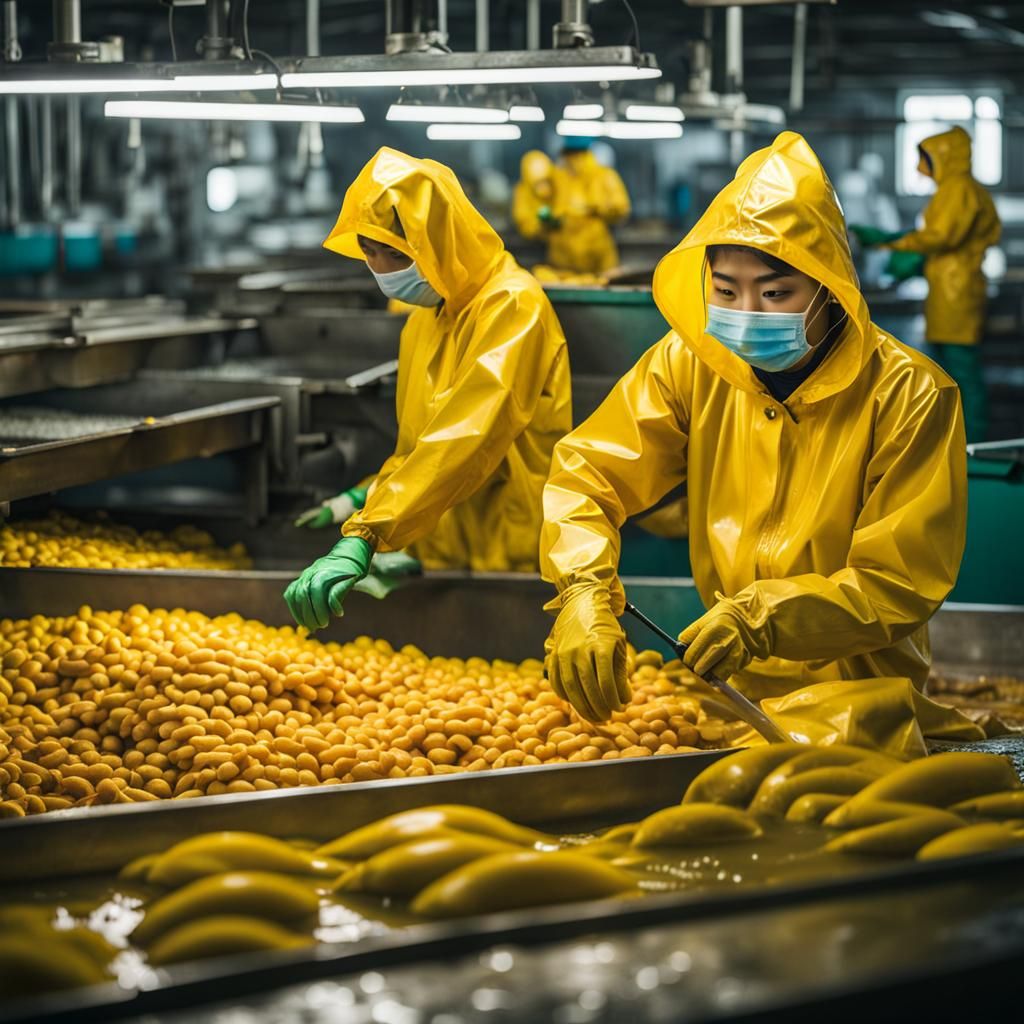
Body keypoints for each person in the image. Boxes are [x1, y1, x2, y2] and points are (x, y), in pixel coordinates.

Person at [540, 131, 982, 756]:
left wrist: (764, 617)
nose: (747, 312)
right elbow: (589, 474)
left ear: (829, 286)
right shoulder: (689, 362)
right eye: (725, 291)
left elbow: (898, 582)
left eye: (776, 293)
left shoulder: (910, 395)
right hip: (722, 698)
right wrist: (582, 590)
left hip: (856, 709)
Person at [285, 147, 572, 632]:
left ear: (441, 241)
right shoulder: (425, 319)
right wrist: (359, 499)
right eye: (369, 253)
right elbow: (421, 446)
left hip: (511, 553)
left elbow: (467, 437)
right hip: (446, 549)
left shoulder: (513, 307)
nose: (381, 270)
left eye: (395, 254)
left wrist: (370, 532)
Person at [853, 127, 1001, 442]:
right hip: (951, 289)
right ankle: (959, 434)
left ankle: (972, 442)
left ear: (943, 156)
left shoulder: (958, 189)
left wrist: (889, 242)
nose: (923, 166)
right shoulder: (958, 189)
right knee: (952, 364)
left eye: (927, 158)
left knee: (962, 366)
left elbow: (939, 237)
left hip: (955, 291)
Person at [512, 139, 630, 276]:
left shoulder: (600, 176)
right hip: (567, 259)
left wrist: (596, 208)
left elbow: (620, 208)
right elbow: (535, 187)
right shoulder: (557, 177)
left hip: (594, 255)